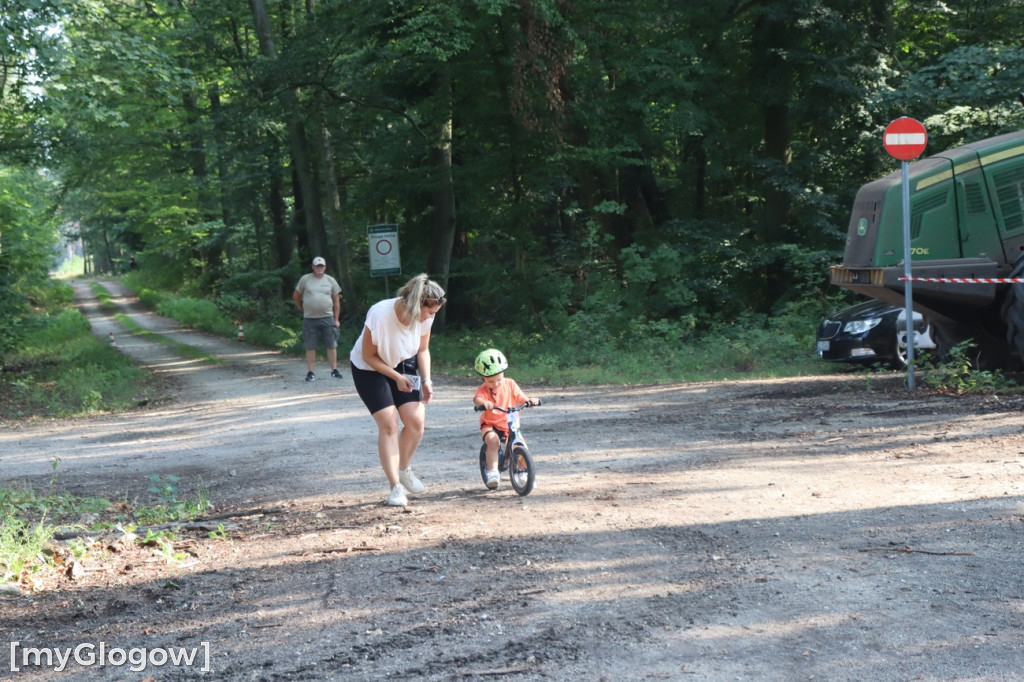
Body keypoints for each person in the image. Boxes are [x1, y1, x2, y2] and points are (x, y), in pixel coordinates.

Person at [349, 273, 446, 507]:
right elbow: (368, 356)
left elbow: (423, 350)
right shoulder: (380, 314)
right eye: (431, 312)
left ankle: (404, 469)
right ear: (416, 305)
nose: (432, 317)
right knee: (390, 423)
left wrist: (426, 380)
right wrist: (395, 377)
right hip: (369, 368)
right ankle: (395, 487)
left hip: (403, 362)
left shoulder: (425, 319)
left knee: (415, 421)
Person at [472, 348, 536, 490]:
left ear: (504, 374)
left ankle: (524, 473)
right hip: (490, 423)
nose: (495, 384)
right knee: (493, 442)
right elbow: (477, 399)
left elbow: (521, 397)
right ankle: (493, 472)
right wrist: (483, 403)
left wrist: (529, 401)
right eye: (490, 381)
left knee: (520, 446)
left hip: (509, 423)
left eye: (498, 380)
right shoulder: (483, 389)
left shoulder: (510, 384)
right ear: (483, 379)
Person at [293, 256, 343, 381]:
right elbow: (296, 296)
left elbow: (336, 301)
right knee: (310, 346)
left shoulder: (330, 280)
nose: (319, 268)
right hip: (310, 318)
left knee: (331, 344)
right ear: (313, 267)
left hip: (327, 317)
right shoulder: (305, 279)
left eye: (321, 266)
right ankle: (311, 372)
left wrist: (336, 319)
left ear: (325, 267)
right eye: (317, 266)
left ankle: (334, 370)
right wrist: (302, 307)